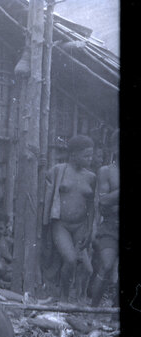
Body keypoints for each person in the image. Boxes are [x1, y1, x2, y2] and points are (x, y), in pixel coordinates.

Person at [43, 135, 96, 300]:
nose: (90, 159)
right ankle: (64, 297)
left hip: (81, 226)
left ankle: (79, 299)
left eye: (91, 155)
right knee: (71, 260)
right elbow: (46, 191)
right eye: (86, 155)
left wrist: (90, 228)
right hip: (62, 225)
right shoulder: (58, 171)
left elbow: (92, 206)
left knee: (87, 269)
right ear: (73, 154)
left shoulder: (91, 177)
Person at [88, 131, 118, 307]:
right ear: (114, 147)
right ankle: (93, 310)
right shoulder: (106, 171)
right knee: (106, 266)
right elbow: (104, 200)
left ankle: (115, 316)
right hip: (110, 226)